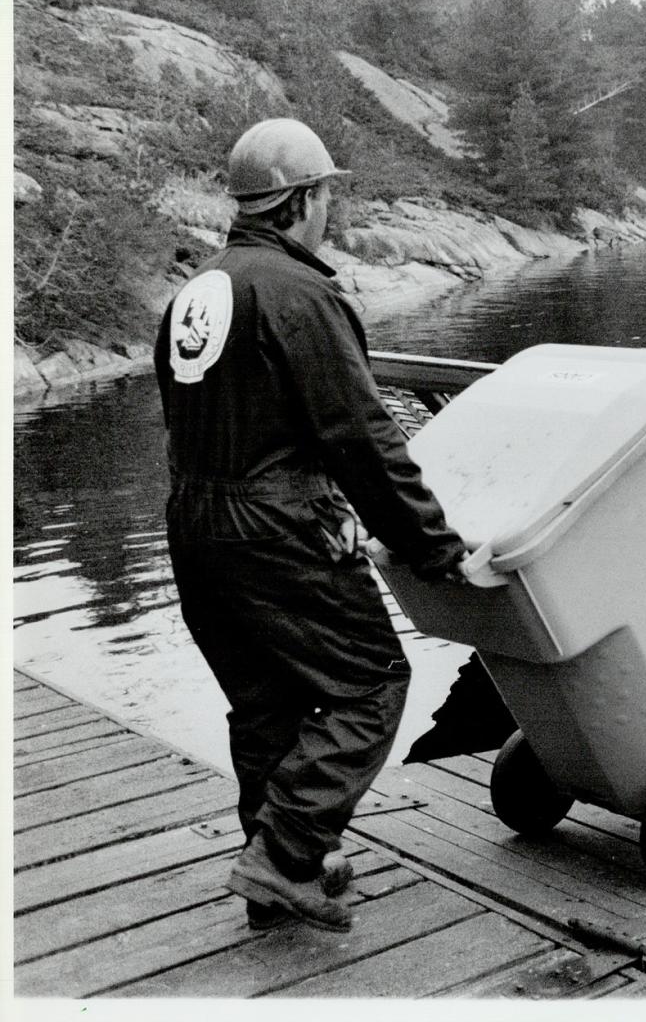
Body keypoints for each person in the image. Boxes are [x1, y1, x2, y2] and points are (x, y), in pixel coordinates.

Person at [156, 118, 469, 933]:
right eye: (328, 193)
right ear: (300, 200)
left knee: (265, 703)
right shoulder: (301, 293)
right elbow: (360, 438)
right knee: (371, 682)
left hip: (194, 520)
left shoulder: (199, 289)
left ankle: (270, 878)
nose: (332, 208)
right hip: (271, 527)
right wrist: (430, 546)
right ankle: (286, 855)